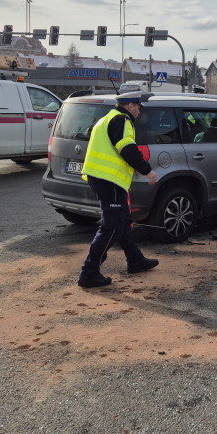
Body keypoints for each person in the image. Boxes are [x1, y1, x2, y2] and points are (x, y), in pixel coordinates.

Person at [77, 91, 159, 289]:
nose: (140, 110)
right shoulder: (122, 120)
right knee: (112, 226)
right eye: (138, 106)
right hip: (109, 180)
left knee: (122, 221)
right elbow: (127, 149)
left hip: (107, 179)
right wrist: (147, 171)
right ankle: (89, 272)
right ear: (130, 106)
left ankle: (135, 260)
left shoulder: (107, 118)